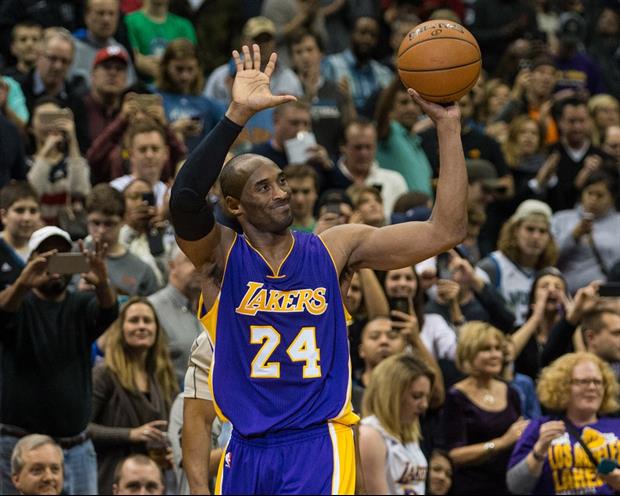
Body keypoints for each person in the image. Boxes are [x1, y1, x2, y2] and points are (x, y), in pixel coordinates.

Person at [170, 44, 467, 494]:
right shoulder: (220, 257)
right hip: (245, 447)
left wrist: (448, 127)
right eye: (263, 187)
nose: (281, 193)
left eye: (283, 181)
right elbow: (185, 200)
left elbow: (446, 229)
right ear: (234, 205)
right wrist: (236, 116)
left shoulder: (335, 248)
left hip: (317, 443)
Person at [0, 226, 117, 495]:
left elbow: (109, 312)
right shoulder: (18, 303)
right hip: (18, 444)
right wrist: (22, 284)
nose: (55, 266)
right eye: (47, 257)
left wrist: (101, 282)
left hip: (74, 446)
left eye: (63, 257)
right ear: (31, 262)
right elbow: (1, 314)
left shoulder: (80, 305)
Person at [89, 297, 178, 494]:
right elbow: (84, 428)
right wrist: (131, 434)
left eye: (147, 321)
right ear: (120, 328)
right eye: (134, 320)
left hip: (154, 479)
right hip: (112, 476)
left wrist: (171, 451)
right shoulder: (104, 373)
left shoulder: (163, 376)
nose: (141, 326)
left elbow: (173, 429)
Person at [506, 352, 620, 495]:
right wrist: (539, 450)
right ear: (562, 386)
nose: (592, 387)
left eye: (598, 382)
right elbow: (516, 486)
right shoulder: (540, 427)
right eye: (583, 382)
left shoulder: (617, 427)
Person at [439, 322, 528, 495]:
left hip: (508, 487)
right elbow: (454, 455)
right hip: (471, 488)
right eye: (486, 349)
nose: (495, 355)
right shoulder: (456, 397)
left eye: (497, 348)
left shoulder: (511, 392)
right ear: (469, 354)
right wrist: (500, 443)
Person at [359, 353, 433, 494]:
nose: (424, 405)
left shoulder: (409, 429)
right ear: (392, 394)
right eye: (416, 396)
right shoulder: (370, 435)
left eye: (426, 397)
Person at [477, 199, 557, 326]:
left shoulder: (549, 272)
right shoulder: (492, 267)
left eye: (542, 231)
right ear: (515, 230)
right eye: (530, 229)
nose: (536, 237)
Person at [287, 28, 355, 159]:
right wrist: (307, 98)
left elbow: (350, 130)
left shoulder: (336, 89)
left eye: (310, 50)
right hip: (301, 161)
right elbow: (289, 132)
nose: (305, 56)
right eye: (298, 52)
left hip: (333, 162)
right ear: (292, 58)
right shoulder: (288, 91)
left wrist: (348, 101)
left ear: (321, 53)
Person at [552, 169, 620, 294]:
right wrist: (574, 236)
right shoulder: (561, 219)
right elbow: (547, 258)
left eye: (600, 195)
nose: (593, 199)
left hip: (607, 296)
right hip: (564, 295)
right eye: (589, 193)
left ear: (612, 198)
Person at [85, 184, 159, 297]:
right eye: (95, 223)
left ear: (123, 220)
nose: (101, 230)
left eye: (109, 224)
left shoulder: (142, 269)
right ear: (87, 219)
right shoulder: (71, 256)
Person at [26, 98, 91, 226]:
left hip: (70, 232)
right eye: (43, 118)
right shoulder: (25, 163)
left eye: (54, 117)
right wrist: (45, 151)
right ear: (31, 127)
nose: (49, 124)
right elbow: (30, 194)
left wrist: (72, 139)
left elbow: (81, 190)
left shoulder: (73, 161)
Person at [155, 39, 225, 153]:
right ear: (166, 66)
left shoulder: (209, 105)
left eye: (190, 69)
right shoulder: (153, 97)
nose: (185, 76)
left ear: (198, 68)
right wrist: (172, 130)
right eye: (179, 69)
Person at [148, 244, 203, 384]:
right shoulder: (151, 309)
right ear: (172, 267)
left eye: (203, 260)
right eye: (190, 259)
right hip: (168, 401)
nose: (199, 266)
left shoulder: (214, 309)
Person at [374, 78, 434, 197]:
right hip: (397, 213)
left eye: (416, 103)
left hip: (425, 214)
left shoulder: (417, 142)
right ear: (391, 107)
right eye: (403, 102)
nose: (411, 108)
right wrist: (402, 73)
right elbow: (382, 112)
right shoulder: (388, 132)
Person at [322, 16, 393, 114]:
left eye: (372, 35)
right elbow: (325, 106)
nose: (367, 39)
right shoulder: (332, 64)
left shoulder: (384, 73)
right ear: (352, 34)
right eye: (362, 33)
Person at [124, 0, 197, 82]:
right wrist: (169, 67)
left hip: (175, 90)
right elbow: (134, 59)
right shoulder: (129, 21)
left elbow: (189, 63)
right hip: (142, 88)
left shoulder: (184, 26)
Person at [70, 0, 137, 87]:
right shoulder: (71, 49)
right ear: (87, 16)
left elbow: (130, 86)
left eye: (111, 14)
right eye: (100, 13)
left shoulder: (121, 51)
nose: (106, 20)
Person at [83, 46, 130, 150]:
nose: (113, 73)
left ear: (126, 78)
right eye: (107, 67)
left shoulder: (130, 113)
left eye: (119, 69)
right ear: (93, 73)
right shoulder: (79, 109)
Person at [0, 182, 41, 290]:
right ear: (3, 215)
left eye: (33, 211)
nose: (27, 218)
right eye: (19, 210)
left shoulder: (42, 250)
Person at [283, 163, 319, 232]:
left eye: (306, 192)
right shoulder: (271, 234)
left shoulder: (326, 232)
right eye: (293, 191)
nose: (300, 199)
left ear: (316, 193)